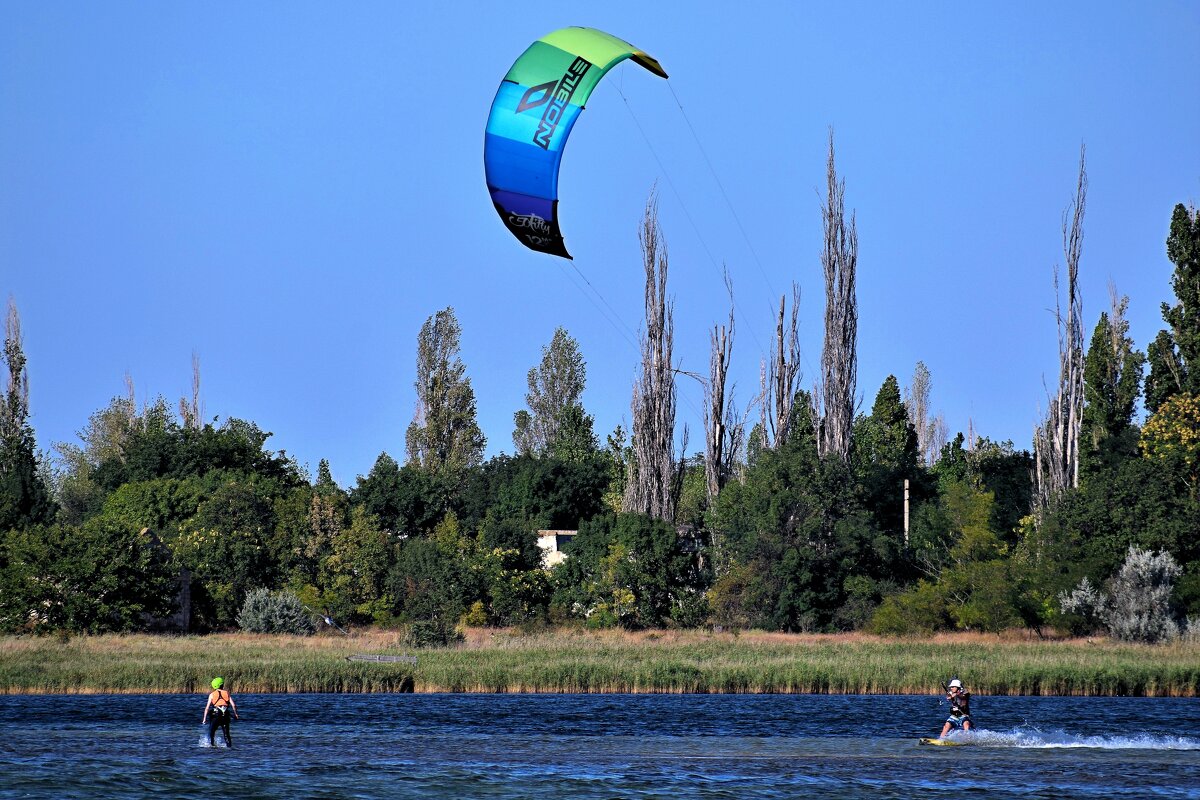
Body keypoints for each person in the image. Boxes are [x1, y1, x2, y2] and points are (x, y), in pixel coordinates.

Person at [202, 677, 239, 747]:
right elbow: (234, 705)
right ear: (222, 685)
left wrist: (204, 719)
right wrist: (236, 714)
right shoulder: (226, 693)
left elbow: (207, 708)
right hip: (225, 715)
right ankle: (229, 747)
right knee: (226, 734)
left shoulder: (212, 695)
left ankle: (212, 745)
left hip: (215, 715)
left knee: (211, 732)